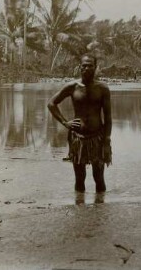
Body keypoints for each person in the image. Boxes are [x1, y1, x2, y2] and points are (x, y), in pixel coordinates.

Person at [47, 54, 112, 193]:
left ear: (95, 67)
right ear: (80, 67)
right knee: (79, 177)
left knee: (99, 177)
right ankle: (79, 210)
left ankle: (101, 210)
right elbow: (51, 103)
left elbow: (108, 117)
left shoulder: (102, 88)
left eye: (90, 65)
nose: (87, 68)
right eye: (84, 65)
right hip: (77, 138)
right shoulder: (72, 87)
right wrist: (65, 122)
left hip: (98, 138)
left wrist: (106, 141)